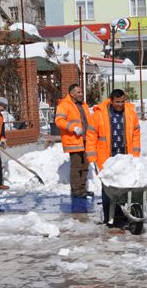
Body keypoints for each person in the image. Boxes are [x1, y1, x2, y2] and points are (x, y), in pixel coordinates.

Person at [86, 89, 141, 225]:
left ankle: (121, 213)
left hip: (125, 156)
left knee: (124, 185)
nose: (120, 104)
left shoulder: (130, 113)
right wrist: (92, 157)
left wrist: (135, 155)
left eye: (122, 101)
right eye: (117, 102)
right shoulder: (99, 114)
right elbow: (91, 136)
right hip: (106, 158)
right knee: (108, 187)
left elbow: (136, 133)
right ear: (111, 100)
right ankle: (108, 215)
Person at [55, 84, 92, 198]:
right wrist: (73, 128)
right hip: (74, 140)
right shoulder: (64, 105)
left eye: (81, 92)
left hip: (86, 139)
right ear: (71, 93)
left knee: (85, 165)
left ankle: (83, 189)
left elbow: (88, 120)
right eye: (78, 92)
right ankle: (76, 191)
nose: (81, 94)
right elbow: (59, 120)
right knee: (76, 166)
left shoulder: (83, 105)